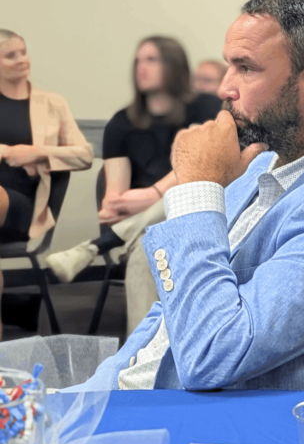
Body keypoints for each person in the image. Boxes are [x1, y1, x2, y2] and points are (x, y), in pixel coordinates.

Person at [72, 0, 304, 392]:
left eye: (246, 68)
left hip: (212, 436)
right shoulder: (263, 160)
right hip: (135, 396)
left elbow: (213, 356)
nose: (225, 88)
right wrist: (104, 384)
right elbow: (169, 313)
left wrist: (198, 188)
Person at [46, 37, 222, 330]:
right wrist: (129, 205)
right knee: (146, 249)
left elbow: (199, 165)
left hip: (201, 214)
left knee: (183, 193)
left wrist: (152, 193)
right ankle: (140, 359)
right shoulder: (121, 123)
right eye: (139, 60)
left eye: (152, 60)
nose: (142, 67)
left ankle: (94, 247)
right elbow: (112, 204)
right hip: (146, 228)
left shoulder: (206, 107)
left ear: (173, 65)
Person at [0, 30, 93, 340]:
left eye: (23, 52)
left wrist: (35, 152)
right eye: (11, 55)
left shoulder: (51, 103)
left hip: (23, 206)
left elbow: (84, 155)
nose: (22, 60)